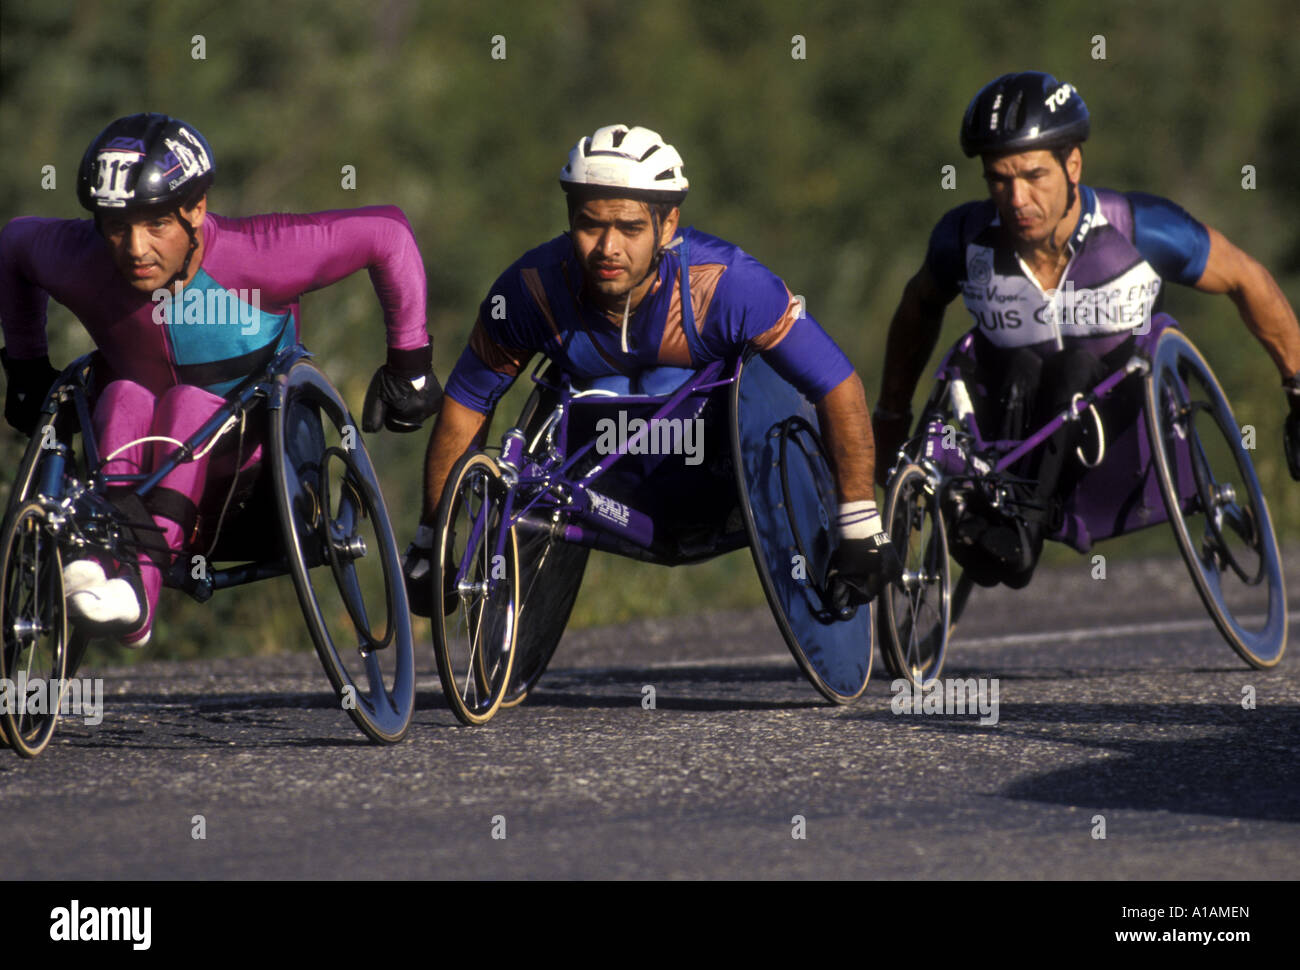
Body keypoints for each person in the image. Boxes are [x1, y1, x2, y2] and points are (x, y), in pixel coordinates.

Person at [405, 124, 900, 615]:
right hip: (603, 463)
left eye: (630, 227)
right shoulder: (527, 292)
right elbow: (466, 404)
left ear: (667, 225)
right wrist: (433, 540)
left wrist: (860, 525)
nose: (607, 248)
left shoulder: (728, 287)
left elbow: (838, 384)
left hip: (715, 465)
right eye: (590, 224)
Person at [0, 112, 442, 646]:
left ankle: (134, 593)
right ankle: (103, 566)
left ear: (195, 210)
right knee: (120, 395)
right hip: (139, 464)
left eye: (156, 224)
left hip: (259, 468)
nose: (135, 249)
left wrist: (410, 368)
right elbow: (15, 245)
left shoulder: (259, 254)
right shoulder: (81, 257)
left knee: (188, 400)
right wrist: (25, 368)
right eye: (117, 226)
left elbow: (388, 234)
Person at [872, 71, 1300, 587]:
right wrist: (891, 415)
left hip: (1124, 427)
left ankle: (1017, 532)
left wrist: (1296, 387)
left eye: (1033, 176)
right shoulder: (964, 240)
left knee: (1073, 367)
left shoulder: (1137, 227)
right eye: (999, 180)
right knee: (1023, 366)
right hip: (1013, 424)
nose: (1016, 199)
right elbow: (917, 309)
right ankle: (998, 527)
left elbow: (1246, 278)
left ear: (1072, 164)